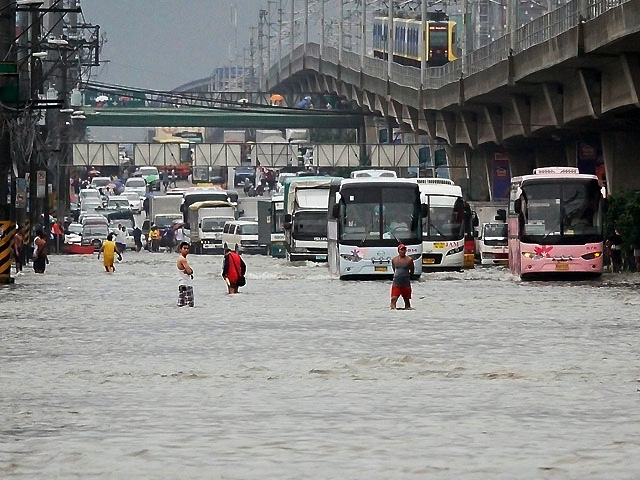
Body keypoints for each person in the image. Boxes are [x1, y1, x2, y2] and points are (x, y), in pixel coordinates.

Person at [390, 243, 415, 310]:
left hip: (406, 283)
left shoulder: (409, 260)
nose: (403, 251)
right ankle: (393, 310)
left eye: (404, 250)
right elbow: (394, 269)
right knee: (393, 299)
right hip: (396, 283)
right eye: (401, 250)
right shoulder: (394, 260)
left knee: (407, 301)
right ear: (398, 251)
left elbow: (412, 270)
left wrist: (408, 276)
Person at [176, 241, 194, 307]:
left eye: (187, 248)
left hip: (182, 284)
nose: (186, 250)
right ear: (180, 249)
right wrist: (191, 271)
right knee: (189, 305)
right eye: (184, 248)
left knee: (181, 305)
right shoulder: (182, 259)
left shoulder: (180, 259)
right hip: (186, 284)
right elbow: (189, 271)